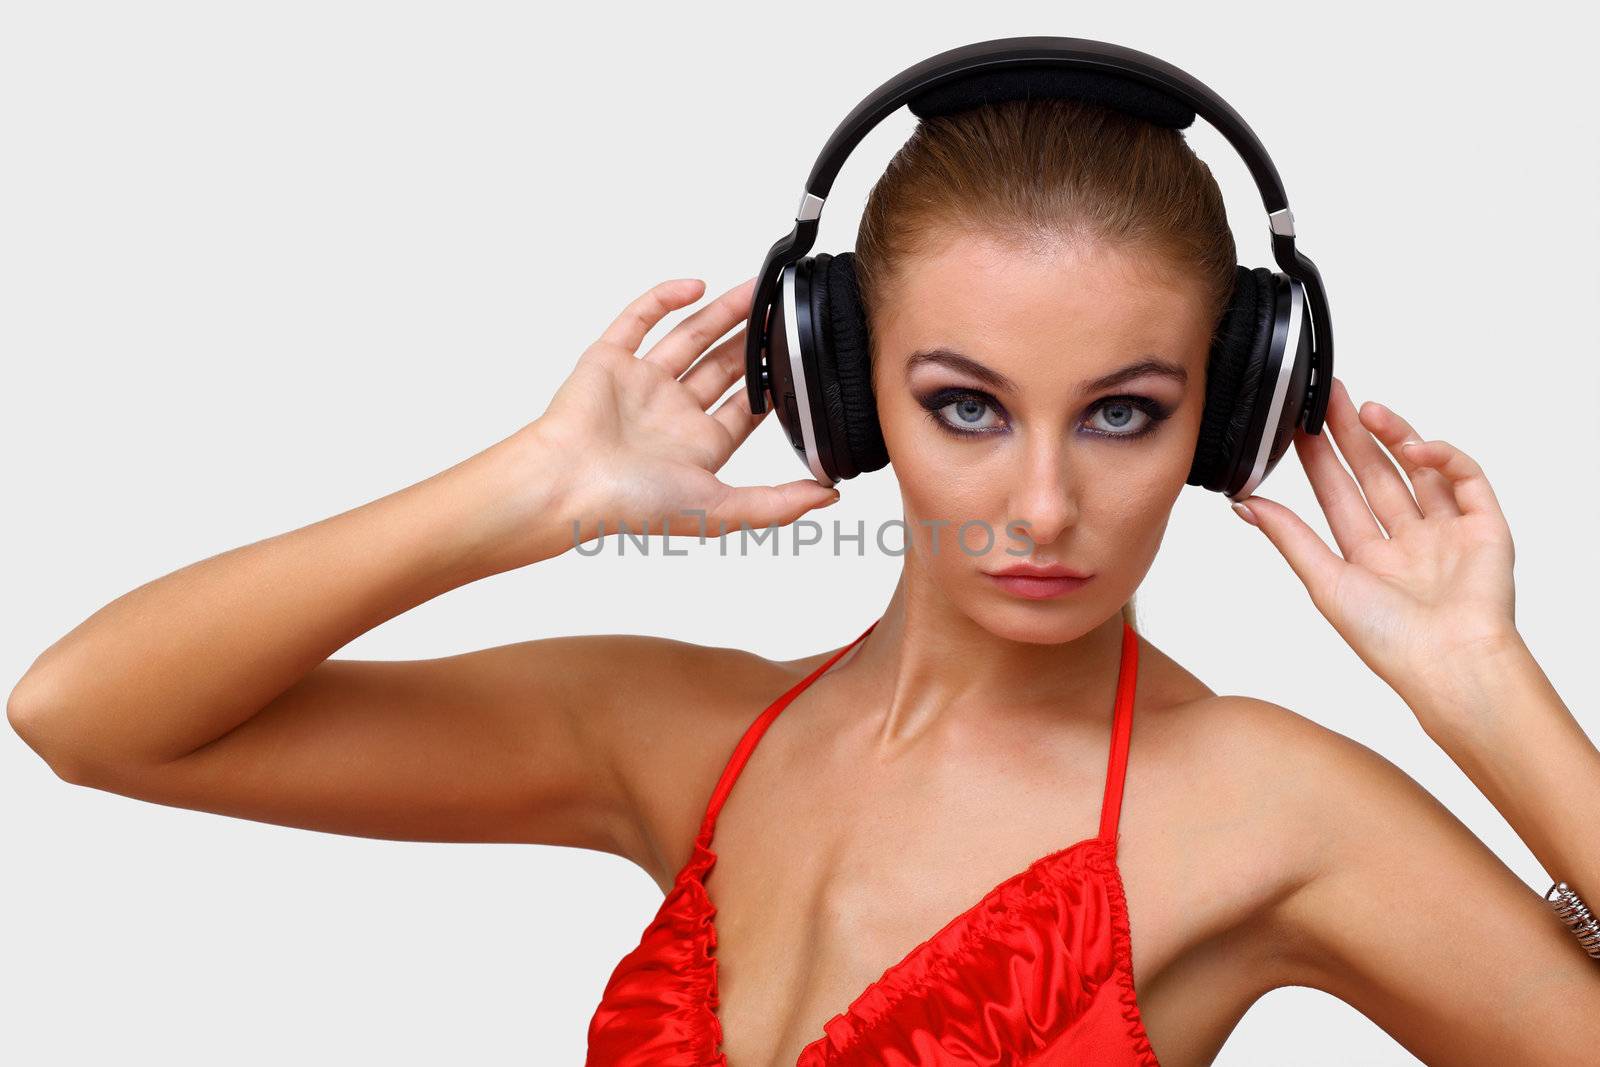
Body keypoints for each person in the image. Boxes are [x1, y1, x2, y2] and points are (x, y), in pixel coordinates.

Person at [8, 95, 1597, 1066]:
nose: (1042, 503)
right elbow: (89, 717)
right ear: (844, 389)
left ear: (1227, 411)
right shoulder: (675, 731)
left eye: (1125, 412)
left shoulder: (1271, 805)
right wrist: (526, 494)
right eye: (963, 405)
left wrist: (1480, 689)